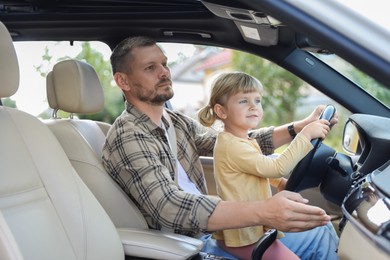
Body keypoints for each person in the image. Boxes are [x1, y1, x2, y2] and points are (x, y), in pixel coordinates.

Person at [102, 35, 339, 259]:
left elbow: (231, 142)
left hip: (207, 232)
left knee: (321, 231)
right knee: (317, 236)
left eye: (164, 64)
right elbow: (169, 206)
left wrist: (297, 128)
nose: (164, 72)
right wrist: (263, 211)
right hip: (184, 246)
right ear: (123, 81)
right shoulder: (128, 135)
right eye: (150, 68)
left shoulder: (174, 122)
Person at [198, 71, 334, 259]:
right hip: (243, 236)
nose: (253, 107)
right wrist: (305, 135)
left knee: (322, 227)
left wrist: (280, 184)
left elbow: (258, 169)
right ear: (222, 111)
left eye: (258, 100)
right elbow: (277, 167)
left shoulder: (242, 141)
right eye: (243, 101)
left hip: (252, 230)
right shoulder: (232, 146)